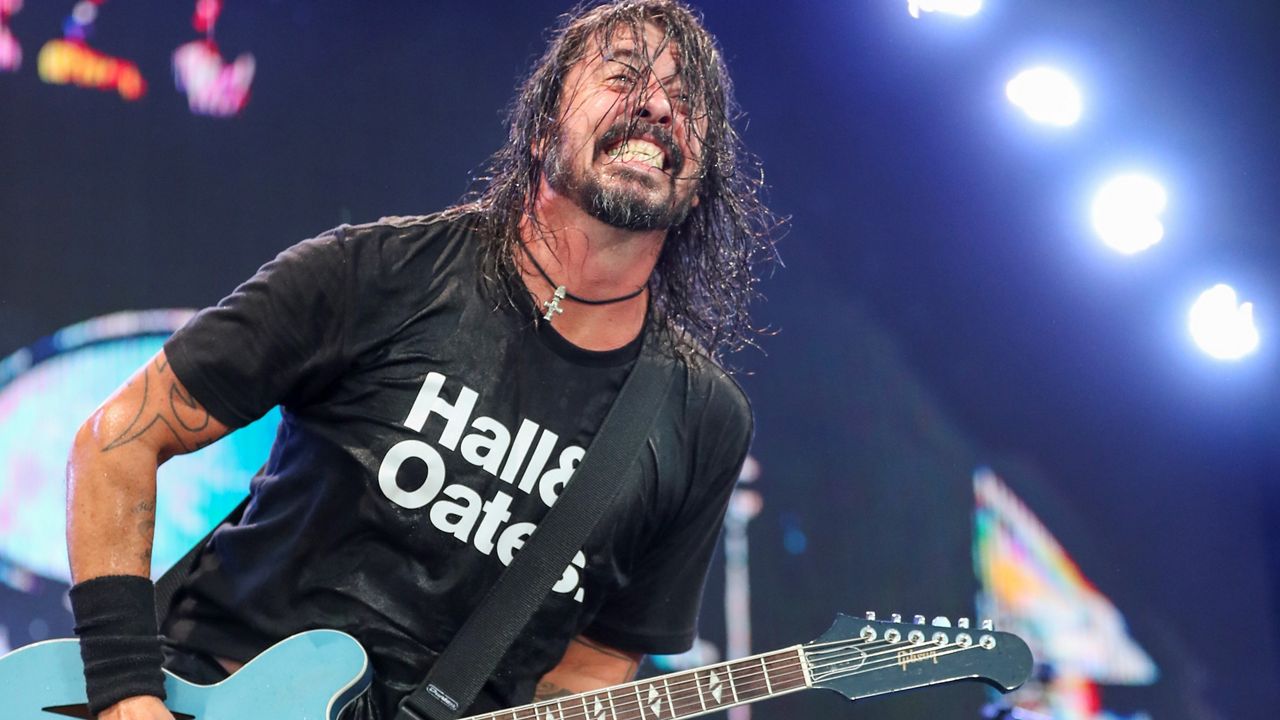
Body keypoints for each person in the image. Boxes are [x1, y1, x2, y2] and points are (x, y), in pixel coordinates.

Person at [65, 1, 779, 718]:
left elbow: (597, 658)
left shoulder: (701, 419)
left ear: (699, 181)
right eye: (623, 77)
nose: (656, 104)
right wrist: (127, 694)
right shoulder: (378, 275)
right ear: (540, 131)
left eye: (687, 101)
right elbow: (119, 438)